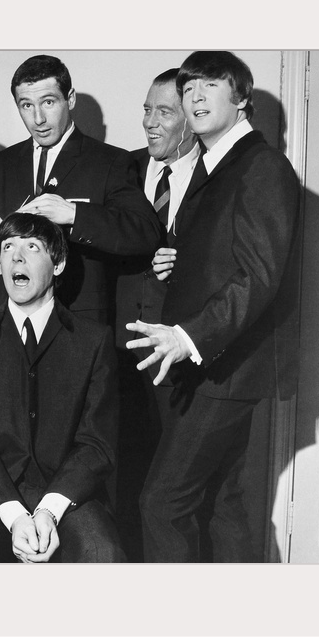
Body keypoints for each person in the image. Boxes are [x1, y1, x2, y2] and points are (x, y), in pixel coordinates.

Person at [126, 51, 301, 563]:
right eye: (188, 88)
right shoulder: (213, 166)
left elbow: (259, 276)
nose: (195, 96)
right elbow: (227, 258)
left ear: (241, 98)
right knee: (226, 505)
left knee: (160, 503)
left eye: (210, 85)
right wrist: (179, 264)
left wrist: (186, 337)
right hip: (214, 370)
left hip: (227, 371)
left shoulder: (261, 166)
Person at [0, 212, 126, 563]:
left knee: (104, 556)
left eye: (32, 247)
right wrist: (13, 512)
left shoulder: (93, 341)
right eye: (7, 247)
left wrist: (49, 510)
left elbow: (97, 443)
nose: (17, 257)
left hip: (69, 496)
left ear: (58, 264)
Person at [0, 54, 160, 325]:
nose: (38, 118)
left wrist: (75, 215)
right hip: (6, 321)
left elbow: (145, 232)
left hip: (78, 322)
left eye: (49, 102)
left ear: (71, 99)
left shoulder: (110, 161)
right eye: (26, 105)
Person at [113, 68, 199, 561]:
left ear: (190, 118)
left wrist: (185, 266)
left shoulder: (215, 177)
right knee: (122, 475)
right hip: (120, 350)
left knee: (171, 494)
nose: (149, 122)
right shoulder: (121, 169)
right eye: (147, 109)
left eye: (163, 112)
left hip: (180, 358)